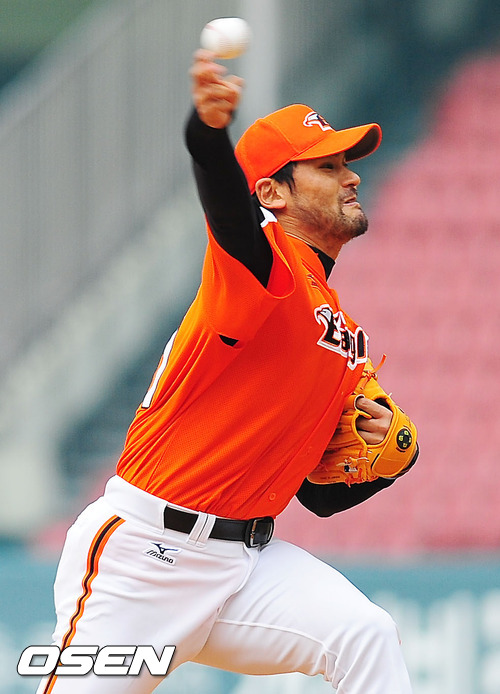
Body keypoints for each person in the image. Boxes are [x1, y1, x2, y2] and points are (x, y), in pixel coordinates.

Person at [37, 50, 415, 693]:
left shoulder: (344, 336)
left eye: (347, 163)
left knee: (365, 635)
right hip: (145, 557)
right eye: (327, 166)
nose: (350, 176)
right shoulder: (263, 270)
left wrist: (397, 456)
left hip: (245, 565)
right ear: (271, 193)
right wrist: (208, 134)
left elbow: (319, 496)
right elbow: (228, 212)